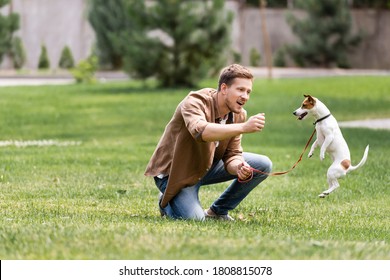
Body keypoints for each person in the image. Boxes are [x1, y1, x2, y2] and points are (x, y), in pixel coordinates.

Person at [144, 64, 272, 221]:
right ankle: (166, 201)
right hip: (175, 172)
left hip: (204, 166)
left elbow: (232, 154)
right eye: (240, 90)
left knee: (262, 164)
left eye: (248, 91)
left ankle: (217, 211)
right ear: (224, 88)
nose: (245, 96)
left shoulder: (238, 115)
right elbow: (201, 132)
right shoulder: (194, 101)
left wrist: (239, 167)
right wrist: (243, 127)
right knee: (195, 220)